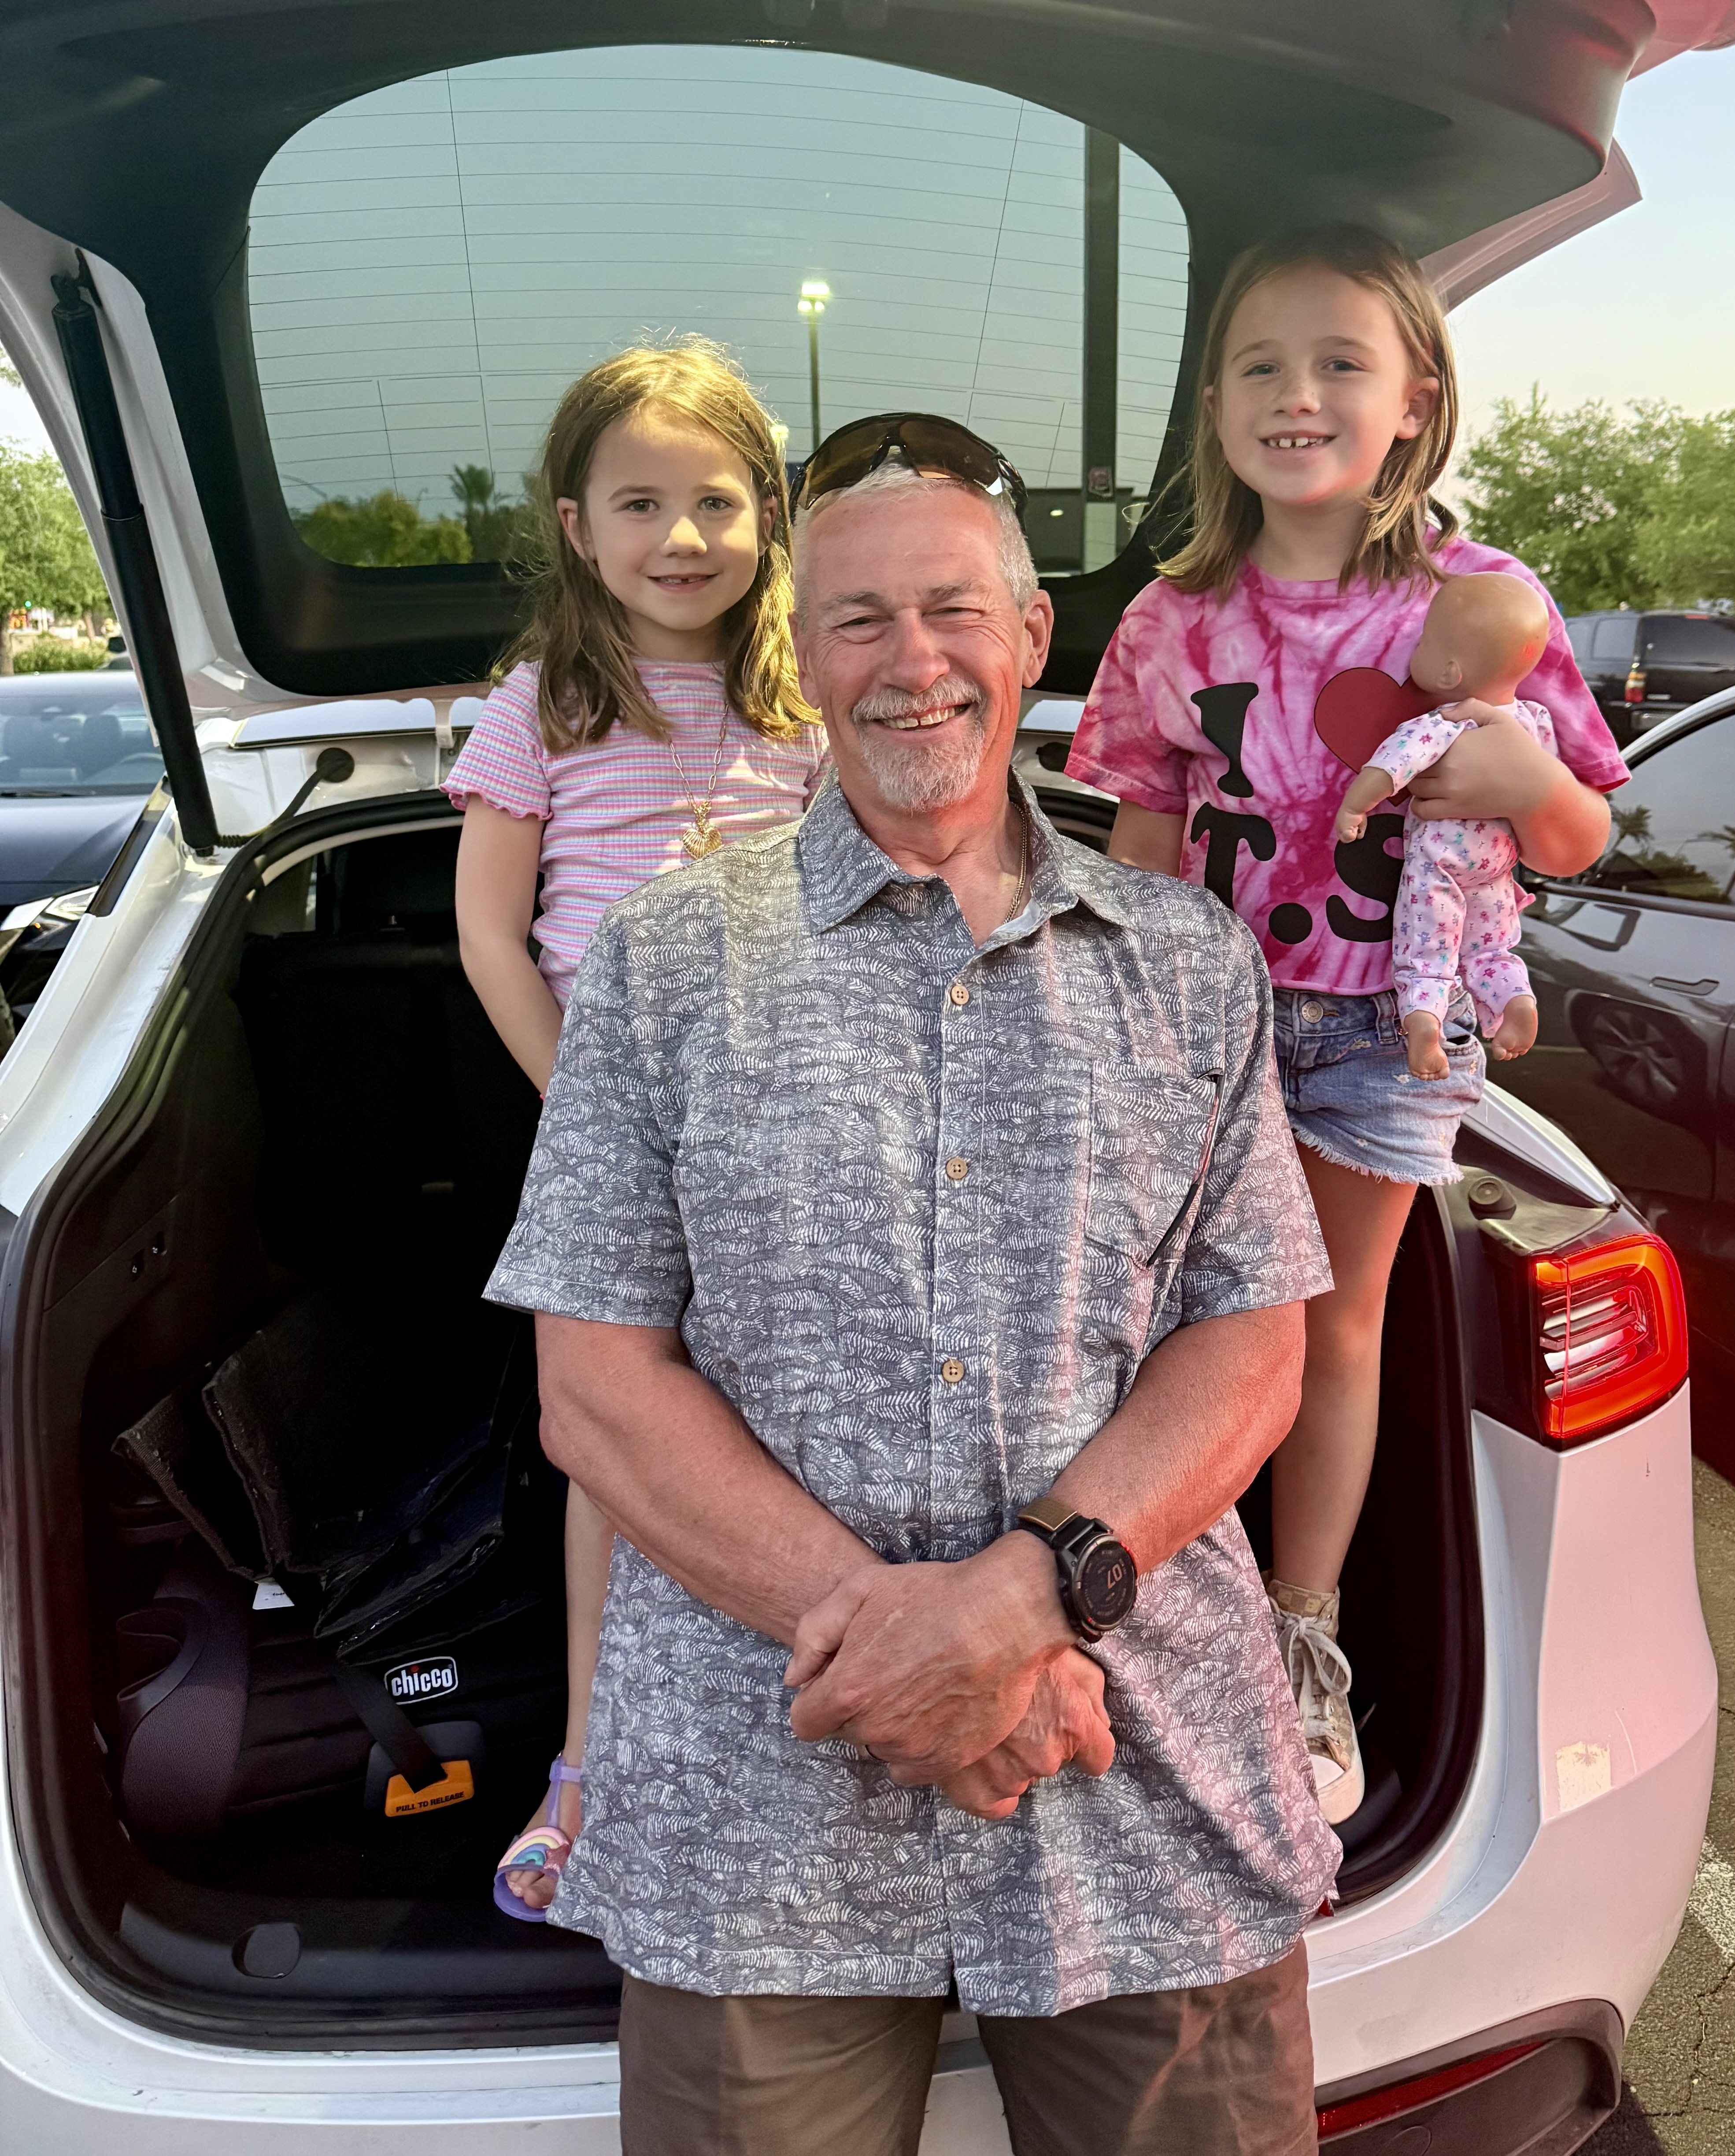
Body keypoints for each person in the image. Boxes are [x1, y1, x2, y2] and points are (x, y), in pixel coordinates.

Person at [485, 411, 1343, 2155]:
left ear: (1029, 633)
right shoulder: (662, 960)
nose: (912, 660)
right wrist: (924, 1655)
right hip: (755, 1811)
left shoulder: (1185, 962)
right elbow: (595, 1387)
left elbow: (1254, 1344)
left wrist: (1016, 1606)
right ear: (801, 660)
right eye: (857, 619)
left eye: (952, 609)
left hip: (1139, 1776)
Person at [1065, 226, 1628, 1827]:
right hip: (1215, 1025)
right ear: (1214, 405)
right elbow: (1144, 842)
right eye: (1259, 364)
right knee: (1172, 1325)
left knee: (1329, 1326)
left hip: (1392, 1029)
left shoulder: (1485, 601)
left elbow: (1580, 831)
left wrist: (1529, 781)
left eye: (1337, 363)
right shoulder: (1174, 617)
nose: (1294, 394)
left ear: (1413, 401)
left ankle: (1299, 1631)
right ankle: (1156, 1618)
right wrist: (1124, 1027)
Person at [440, 340, 829, 1918]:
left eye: (717, 500)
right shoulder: (540, 703)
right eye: (641, 502)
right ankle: (591, 1759)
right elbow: (488, 933)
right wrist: (585, 1107)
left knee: (778, 1433)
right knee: (615, 1444)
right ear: (575, 525)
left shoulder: (803, 706)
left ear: (769, 517)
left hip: (777, 1128)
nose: (683, 534)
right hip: (606, 1132)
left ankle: (780, 1742)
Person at [1332, 570, 1557, 1080]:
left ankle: (1424, 1028)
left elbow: (1391, 766)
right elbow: (1547, 782)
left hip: (1441, 863)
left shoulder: (1446, 722)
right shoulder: (1534, 720)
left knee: (1427, 951)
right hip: (1497, 864)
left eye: (1425, 642)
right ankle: (1515, 999)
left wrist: (1354, 808)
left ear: (1451, 670)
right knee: (1491, 947)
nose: (1416, 647)